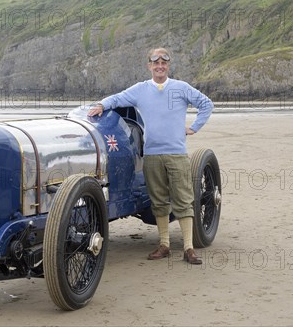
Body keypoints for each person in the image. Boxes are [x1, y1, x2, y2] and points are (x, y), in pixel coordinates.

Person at [87, 47, 213, 264]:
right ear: (150, 66)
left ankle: (188, 248)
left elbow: (206, 104)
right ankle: (164, 245)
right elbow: (118, 99)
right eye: (156, 63)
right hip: (152, 154)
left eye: (164, 63)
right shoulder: (140, 89)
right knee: (159, 201)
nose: (160, 66)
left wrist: (193, 127)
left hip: (176, 153)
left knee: (183, 199)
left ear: (168, 66)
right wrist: (101, 105)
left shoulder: (181, 88)